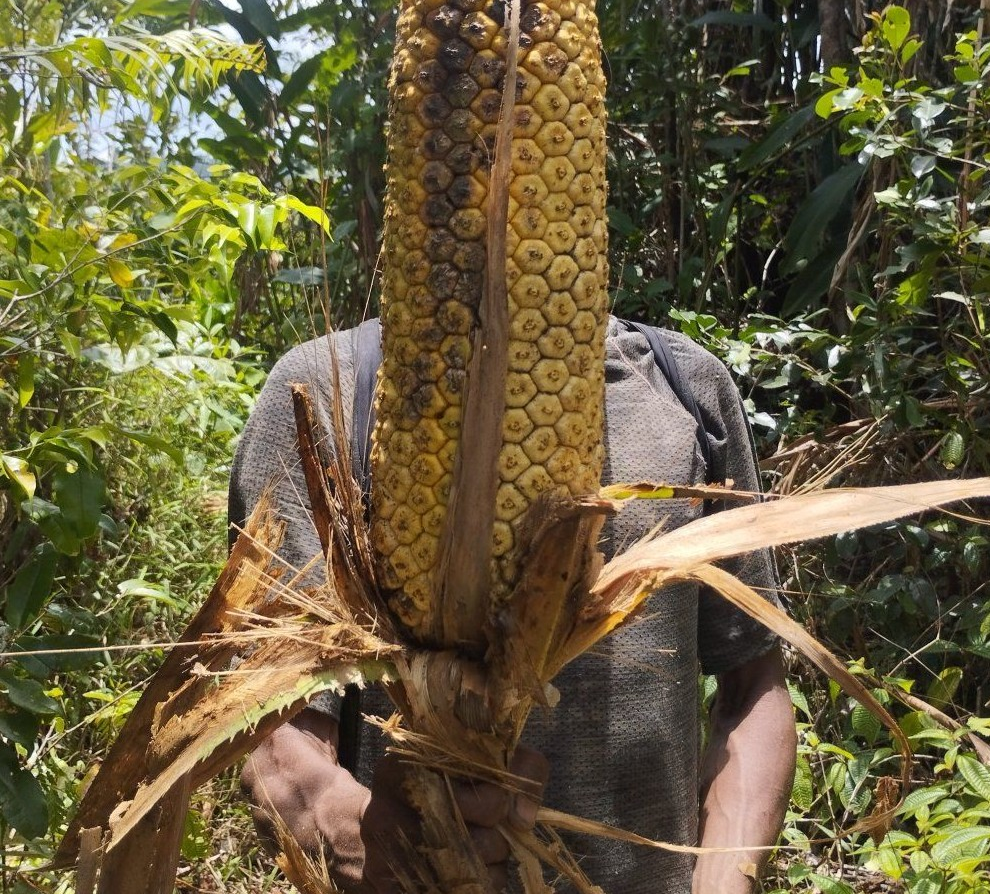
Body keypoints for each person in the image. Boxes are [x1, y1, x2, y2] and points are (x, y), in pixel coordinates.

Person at [232, 317, 797, 894]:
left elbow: (751, 688)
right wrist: (379, 847)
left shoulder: (687, 387)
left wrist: (724, 880)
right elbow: (277, 733)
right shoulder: (326, 389)